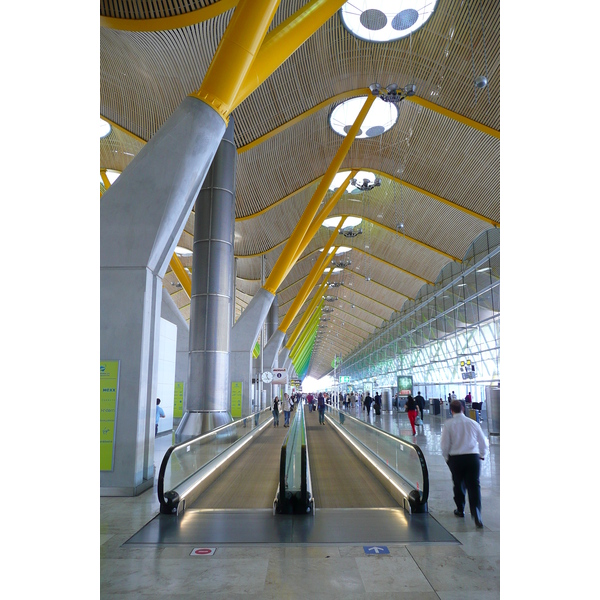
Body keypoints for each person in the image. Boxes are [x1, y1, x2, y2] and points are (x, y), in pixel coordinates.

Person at [440, 400, 488, 528]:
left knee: (458, 483)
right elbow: (483, 442)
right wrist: (482, 455)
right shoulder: (473, 423)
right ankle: (476, 511)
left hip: (456, 458)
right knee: (474, 485)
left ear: (451, 410)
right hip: (473, 457)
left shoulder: (448, 424)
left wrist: (446, 458)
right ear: (463, 409)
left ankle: (460, 509)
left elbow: (444, 444)